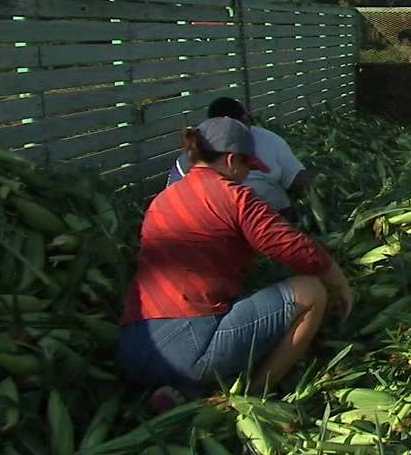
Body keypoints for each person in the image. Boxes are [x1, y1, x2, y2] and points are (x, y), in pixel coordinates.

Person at [119, 117, 353, 407]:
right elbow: (294, 247)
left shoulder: (163, 199)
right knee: (311, 292)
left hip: (133, 349)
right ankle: (249, 398)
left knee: (228, 303)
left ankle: (185, 392)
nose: (247, 176)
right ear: (231, 161)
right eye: (247, 167)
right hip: (189, 349)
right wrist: (339, 280)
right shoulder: (234, 196)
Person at [167, 98, 308, 220]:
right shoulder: (236, 200)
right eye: (245, 164)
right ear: (231, 162)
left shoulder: (196, 147)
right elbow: (296, 181)